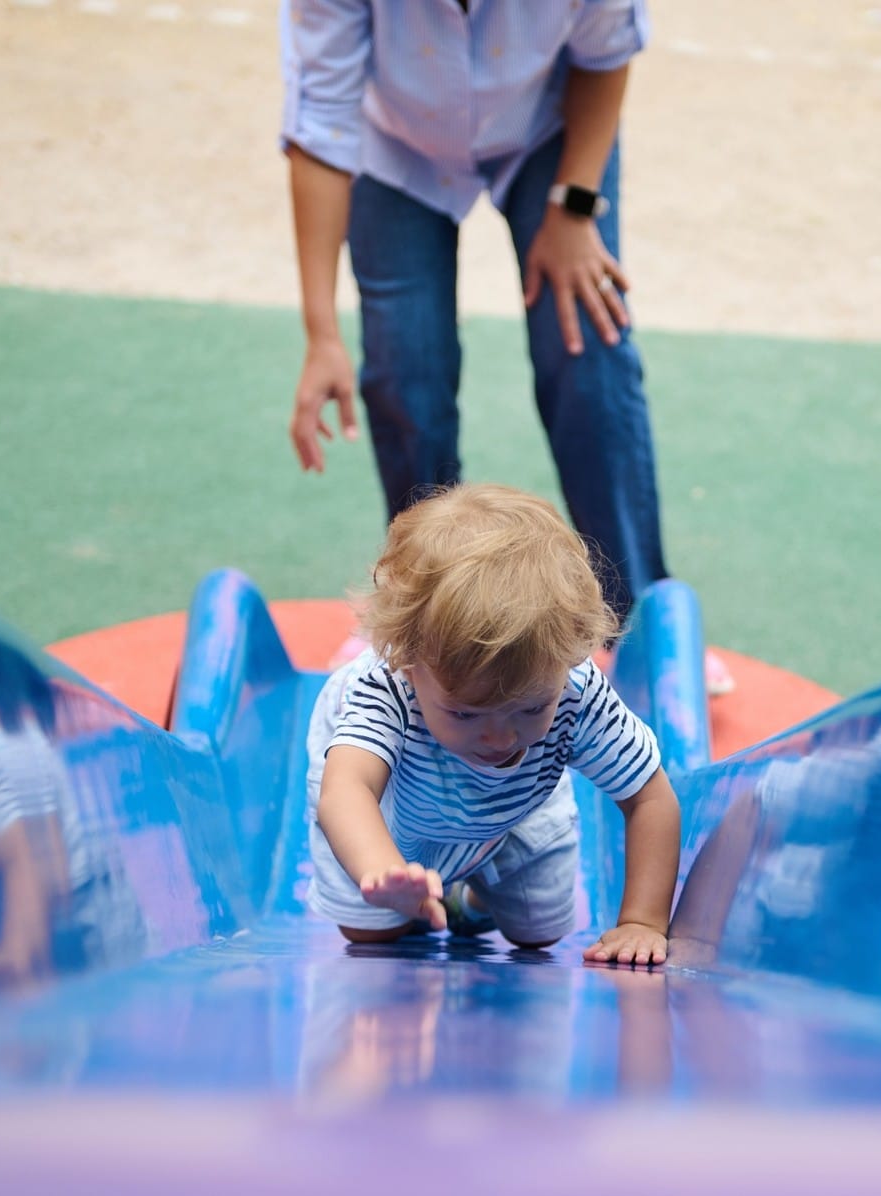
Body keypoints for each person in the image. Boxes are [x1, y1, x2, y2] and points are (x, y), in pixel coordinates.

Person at [279, 1, 685, 637]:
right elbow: (322, 128)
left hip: (547, 130)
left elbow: (605, 54)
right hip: (393, 143)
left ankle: (637, 620)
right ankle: (425, 618)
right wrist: (321, 333)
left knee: (588, 348)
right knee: (404, 369)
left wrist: (574, 208)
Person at [304, 483, 681, 966]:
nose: (501, 737)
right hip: (399, 812)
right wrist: (383, 871)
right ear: (408, 661)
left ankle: (474, 897)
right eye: (465, 713)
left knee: (537, 934)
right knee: (371, 933)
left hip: (515, 808)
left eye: (529, 709)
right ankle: (422, 888)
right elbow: (346, 790)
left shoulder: (572, 687)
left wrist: (642, 921)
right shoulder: (386, 686)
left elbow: (650, 796)